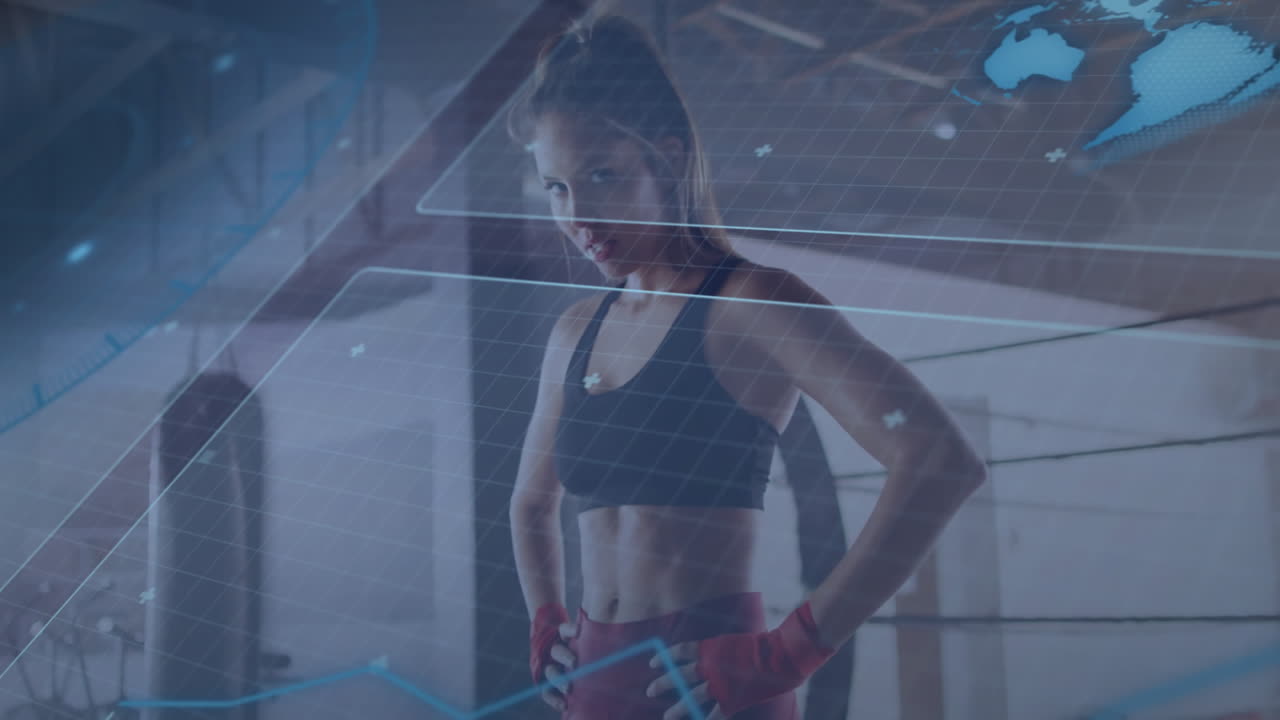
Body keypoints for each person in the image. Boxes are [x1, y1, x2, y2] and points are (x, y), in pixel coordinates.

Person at [506, 12, 988, 720]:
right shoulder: (575, 330)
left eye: (602, 175)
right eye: (556, 187)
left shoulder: (753, 303)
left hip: (709, 688)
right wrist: (545, 621)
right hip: (593, 687)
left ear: (666, 161)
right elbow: (530, 502)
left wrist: (786, 653)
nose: (577, 214)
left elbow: (940, 463)